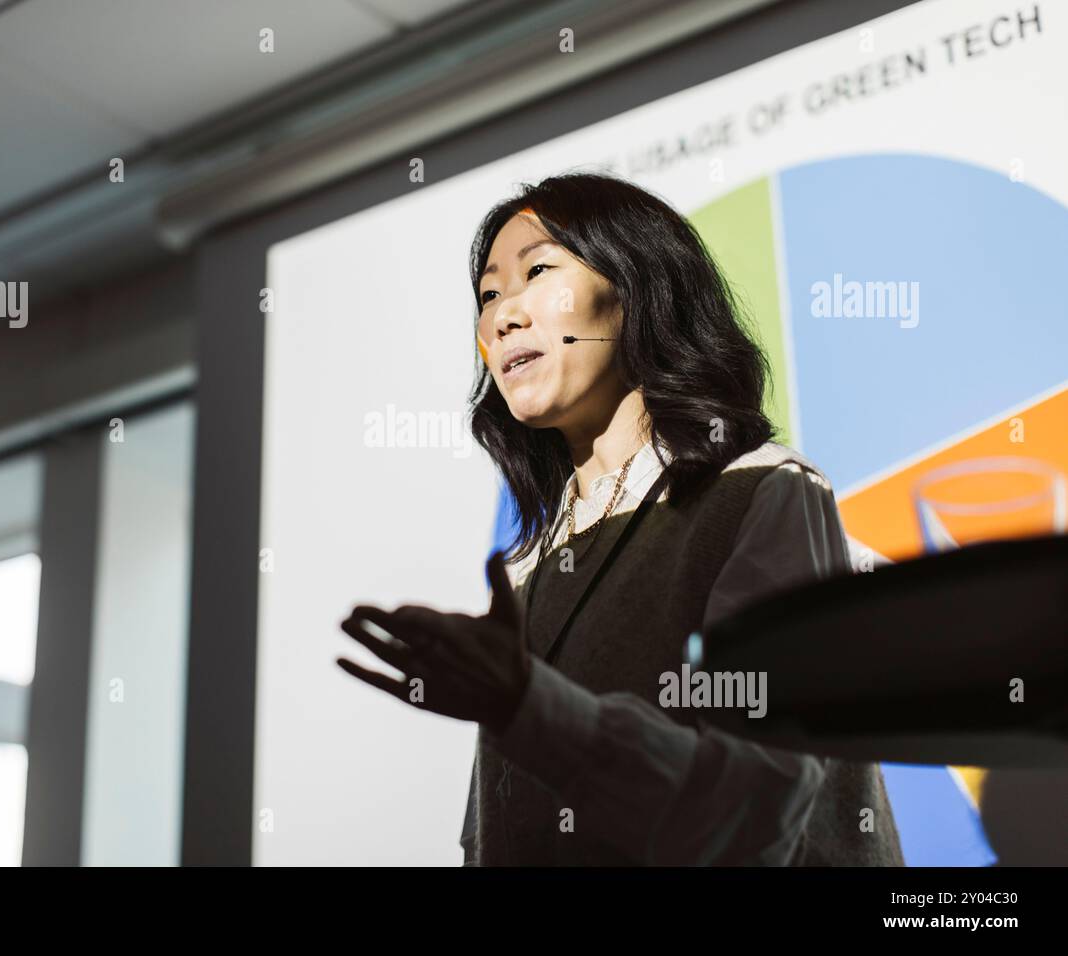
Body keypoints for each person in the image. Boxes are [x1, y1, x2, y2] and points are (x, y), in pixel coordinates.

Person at [338, 171, 903, 866]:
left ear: (636, 289)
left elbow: (760, 803)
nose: (503, 315)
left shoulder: (763, 491)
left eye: (537, 272)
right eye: (488, 295)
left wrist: (527, 705)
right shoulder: (530, 568)